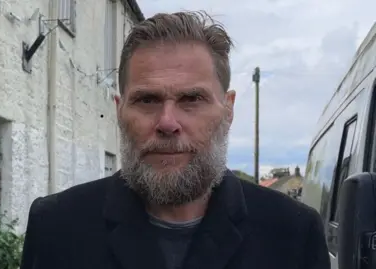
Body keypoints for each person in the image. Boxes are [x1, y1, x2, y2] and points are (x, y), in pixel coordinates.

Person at [20, 11, 330, 269]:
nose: (167, 123)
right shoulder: (57, 228)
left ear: (228, 110)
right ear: (119, 110)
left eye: (192, 98)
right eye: (147, 100)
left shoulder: (293, 234)